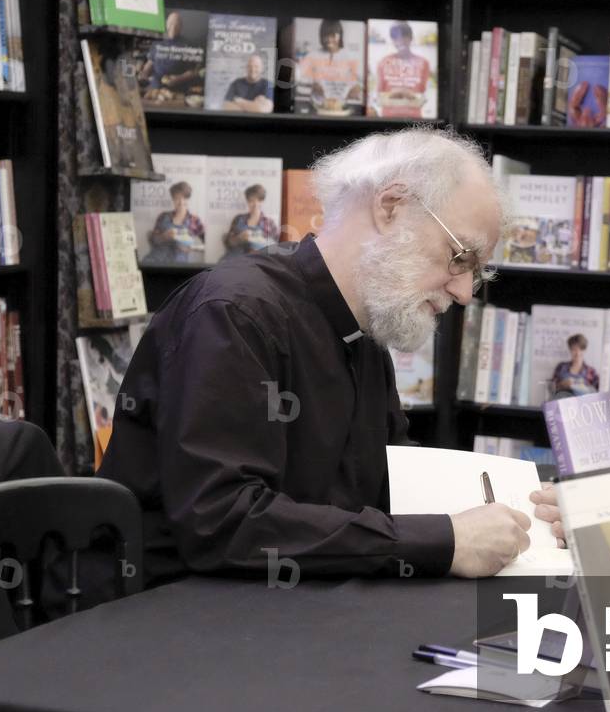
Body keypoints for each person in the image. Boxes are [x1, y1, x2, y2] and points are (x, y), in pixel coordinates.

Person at [98, 128, 565, 585]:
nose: (465, 292)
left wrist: (525, 516)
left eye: (478, 274)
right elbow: (223, 522)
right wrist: (443, 539)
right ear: (390, 207)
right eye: (460, 257)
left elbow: (393, 479)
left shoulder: (363, 329)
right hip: (172, 616)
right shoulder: (234, 313)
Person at [297, 19, 363, 115]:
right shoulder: (311, 56)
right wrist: (311, 87)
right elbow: (299, 85)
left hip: (344, 110)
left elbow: (364, 84)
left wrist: (359, 88)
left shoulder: (351, 57)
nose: (329, 39)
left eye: (333, 35)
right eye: (325, 35)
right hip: (316, 110)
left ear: (340, 35)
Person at [138, 11, 204, 104]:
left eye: (177, 24)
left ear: (181, 27)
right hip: (155, 89)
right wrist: (144, 73)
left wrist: (179, 78)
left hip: (178, 91)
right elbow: (150, 63)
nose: (174, 26)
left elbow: (193, 71)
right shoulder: (157, 42)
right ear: (166, 24)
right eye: (171, 23)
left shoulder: (188, 45)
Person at [375, 22, 430, 118]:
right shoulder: (383, 61)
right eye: (396, 38)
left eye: (404, 37)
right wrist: (395, 93)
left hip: (414, 120)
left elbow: (424, 96)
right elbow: (378, 96)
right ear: (392, 40)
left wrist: (409, 94)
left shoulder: (423, 63)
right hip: (387, 118)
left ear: (411, 38)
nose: (400, 41)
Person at [143, 181, 206, 264]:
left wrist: (193, 248)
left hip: (178, 267)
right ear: (173, 199)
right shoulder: (163, 216)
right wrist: (164, 236)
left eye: (184, 198)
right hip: (154, 262)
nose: (181, 202)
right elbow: (152, 240)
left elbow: (208, 243)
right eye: (177, 198)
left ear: (188, 199)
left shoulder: (194, 220)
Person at [221, 184, 279, 259]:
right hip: (236, 261)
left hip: (259, 262)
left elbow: (276, 248)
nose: (255, 204)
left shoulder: (269, 223)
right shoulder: (238, 219)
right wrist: (240, 238)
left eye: (258, 200)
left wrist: (261, 243)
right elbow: (227, 243)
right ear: (247, 202)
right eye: (251, 201)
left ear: (262, 201)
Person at [550, 333, 600, 400]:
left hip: (582, 407)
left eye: (580, 349)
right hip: (562, 405)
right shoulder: (561, 367)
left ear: (584, 350)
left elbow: (598, 394)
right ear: (570, 350)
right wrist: (562, 384)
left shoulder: (591, 372)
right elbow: (550, 388)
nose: (577, 353)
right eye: (574, 349)